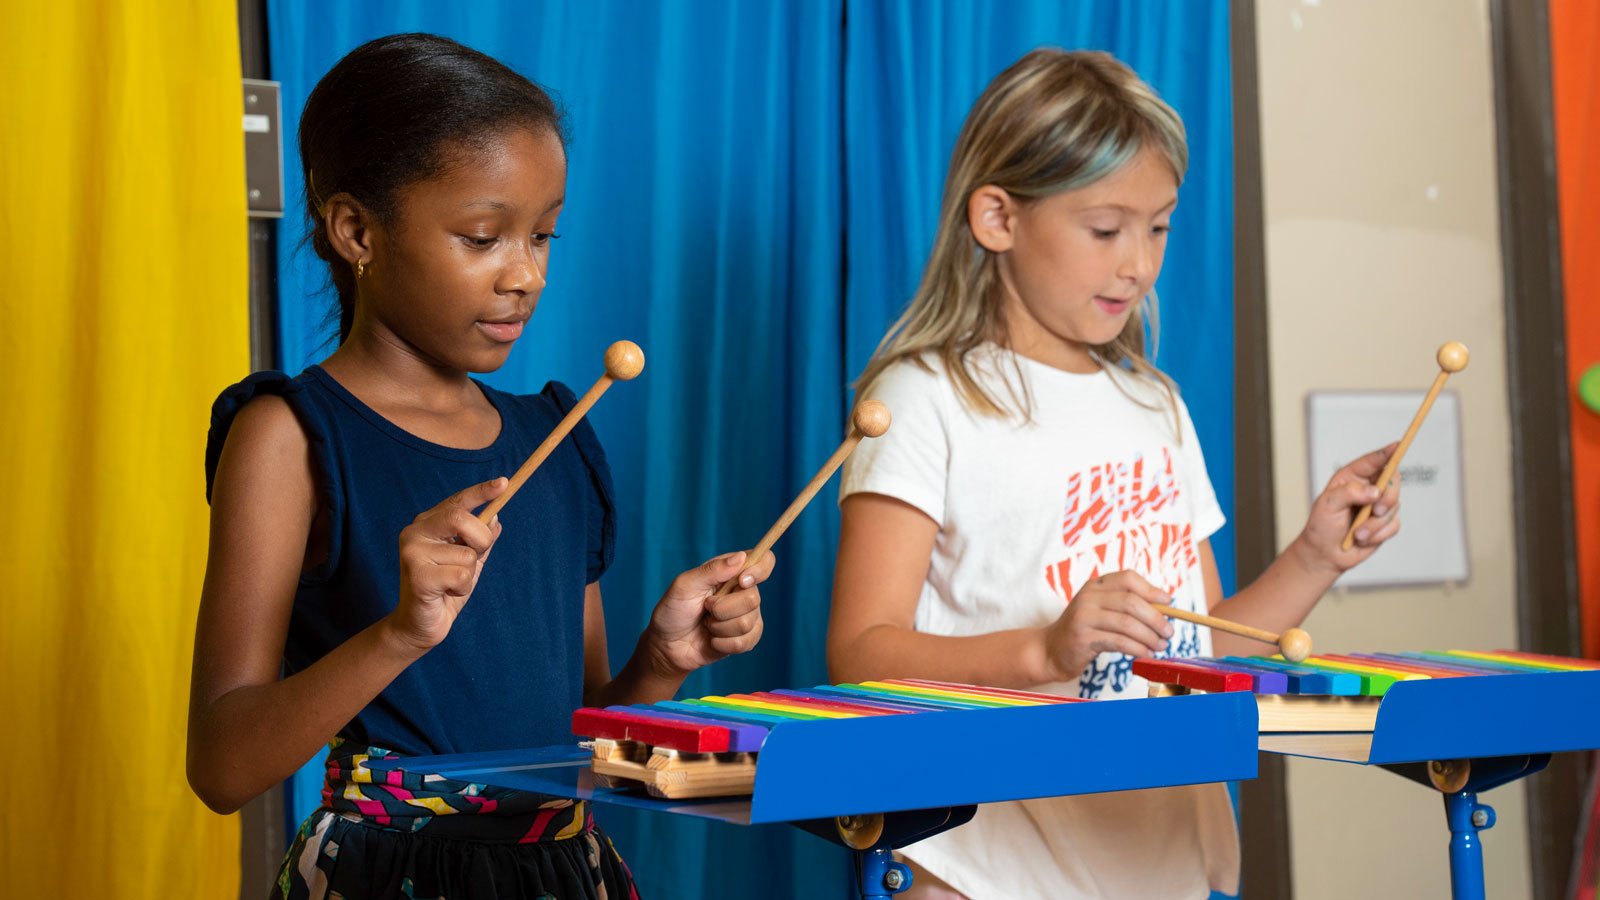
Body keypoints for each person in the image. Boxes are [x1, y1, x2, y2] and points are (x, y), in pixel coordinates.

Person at [188, 33, 770, 899]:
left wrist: (664, 656)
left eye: (543, 236)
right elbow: (224, 767)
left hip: (568, 871)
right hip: (386, 875)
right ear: (357, 231)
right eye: (483, 237)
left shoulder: (559, 436)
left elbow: (589, 750)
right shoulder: (289, 436)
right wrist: (400, 634)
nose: (525, 276)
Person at [828, 48, 1401, 899]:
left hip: (1159, 858)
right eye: (1106, 229)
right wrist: (1045, 648)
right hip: (981, 865)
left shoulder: (1156, 406)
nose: (1139, 263)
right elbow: (858, 654)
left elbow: (1202, 647)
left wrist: (1316, 556)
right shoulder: (923, 399)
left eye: (1159, 226)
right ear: (996, 217)